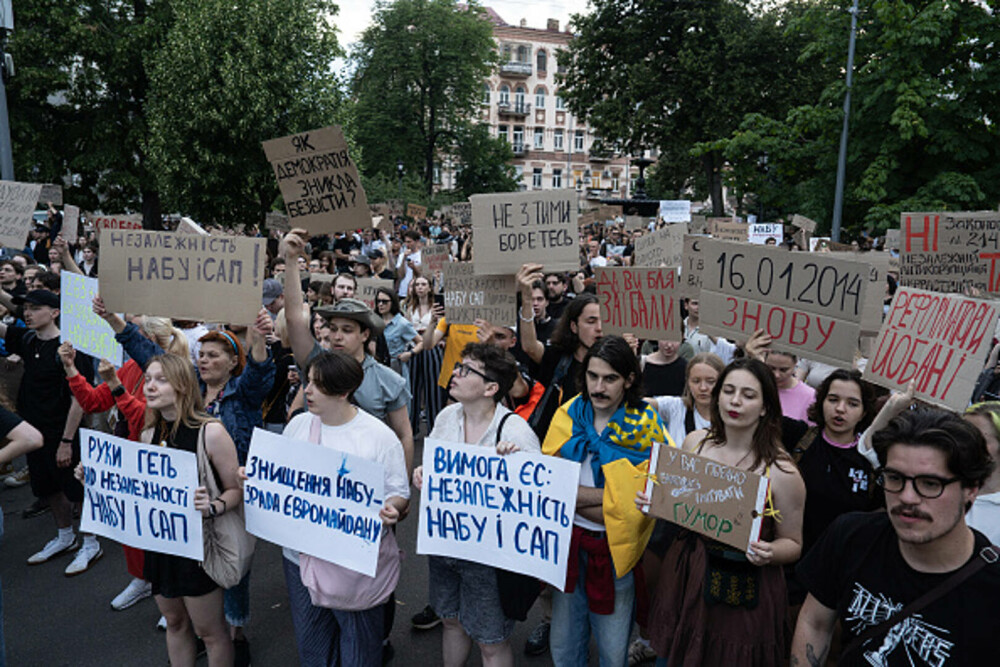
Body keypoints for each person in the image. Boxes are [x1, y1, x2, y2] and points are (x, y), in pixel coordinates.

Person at [792, 408, 1000, 666]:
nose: (907, 497)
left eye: (930, 484)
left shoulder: (991, 588)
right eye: (894, 478)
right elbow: (815, 622)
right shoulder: (851, 536)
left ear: (971, 489)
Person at [640, 357, 806, 666]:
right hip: (688, 574)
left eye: (748, 394)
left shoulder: (783, 473)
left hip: (745, 589)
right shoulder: (694, 444)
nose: (735, 401)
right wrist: (655, 506)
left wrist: (769, 552)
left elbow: (793, 543)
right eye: (728, 390)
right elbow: (679, 507)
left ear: (766, 406)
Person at [276, 350, 409, 665]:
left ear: (343, 391)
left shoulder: (378, 438)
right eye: (307, 382)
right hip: (299, 559)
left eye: (316, 385)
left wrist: (392, 508)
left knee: (359, 651)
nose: (306, 391)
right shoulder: (298, 426)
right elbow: (279, 475)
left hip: (352, 565)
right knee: (313, 648)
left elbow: (398, 492)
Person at [543, 336, 669, 666]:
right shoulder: (568, 413)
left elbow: (643, 503)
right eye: (593, 376)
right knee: (564, 647)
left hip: (616, 554)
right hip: (566, 548)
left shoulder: (646, 426)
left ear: (628, 379)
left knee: (614, 653)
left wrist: (572, 498)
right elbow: (546, 486)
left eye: (610, 378)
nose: (599, 387)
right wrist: (612, 500)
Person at [412, 343, 540, 667]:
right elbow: (437, 470)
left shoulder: (515, 431)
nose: (454, 373)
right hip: (445, 547)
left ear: (491, 388)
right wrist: (422, 473)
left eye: (466, 370)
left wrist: (516, 466)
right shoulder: (445, 417)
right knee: (451, 621)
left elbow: (535, 497)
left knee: (490, 640)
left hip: (488, 560)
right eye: (458, 366)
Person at [140, 354, 242, 667]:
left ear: (183, 385)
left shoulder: (210, 432)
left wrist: (212, 507)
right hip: (161, 546)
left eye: (161, 379)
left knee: (209, 632)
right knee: (175, 623)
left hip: (200, 549)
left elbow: (237, 490)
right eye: (147, 379)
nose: (150, 387)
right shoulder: (148, 434)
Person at [0, 290, 102, 569]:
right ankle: (64, 535)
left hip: (63, 431)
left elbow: (78, 399)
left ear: (55, 312)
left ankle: (90, 542)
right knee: (48, 487)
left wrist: (67, 441)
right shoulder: (27, 339)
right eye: (26, 309)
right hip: (34, 430)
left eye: (35, 308)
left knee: (75, 487)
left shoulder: (70, 348)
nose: (28, 314)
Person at [404, 275, 445, 434]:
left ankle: (434, 430)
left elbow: (442, 327)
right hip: (413, 346)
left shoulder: (437, 307)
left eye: (423, 284)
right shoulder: (409, 307)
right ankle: (411, 428)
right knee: (412, 387)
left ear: (429, 287)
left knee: (433, 388)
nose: (420, 287)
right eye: (417, 285)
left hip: (431, 346)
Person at [764, 350, 816, 422]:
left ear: (795, 365)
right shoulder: (757, 387)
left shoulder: (810, 395)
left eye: (783, 370)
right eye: (771, 368)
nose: (777, 375)